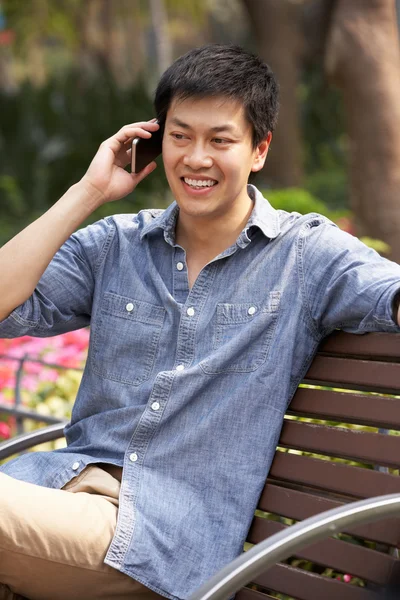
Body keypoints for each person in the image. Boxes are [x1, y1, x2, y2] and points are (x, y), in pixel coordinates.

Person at [0, 43, 399, 600]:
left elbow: (388, 293)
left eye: (220, 140)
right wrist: (89, 191)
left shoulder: (304, 255)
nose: (195, 158)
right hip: (63, 495)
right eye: (180, 136)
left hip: (159, 542)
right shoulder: (117, 245)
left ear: (259, 149)